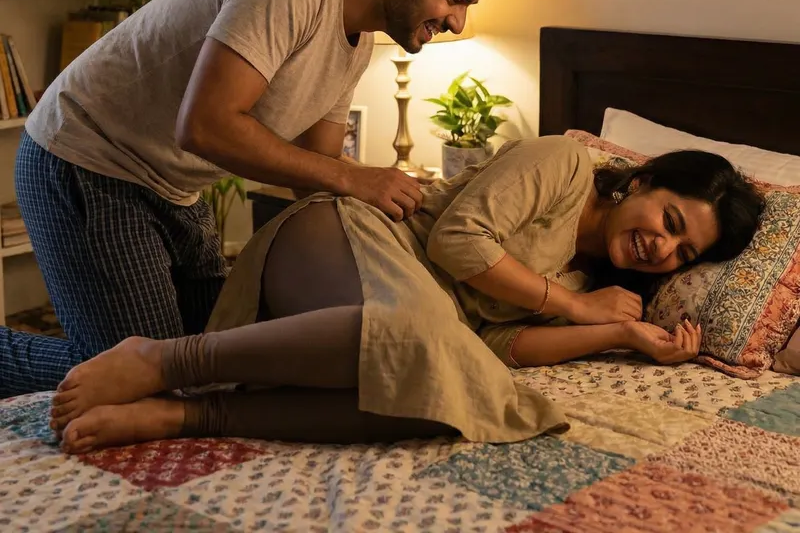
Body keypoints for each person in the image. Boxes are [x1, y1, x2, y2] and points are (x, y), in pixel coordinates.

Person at [0, 0, 517, 398]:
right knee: (155, 381)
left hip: (175, 186)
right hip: (89, 159)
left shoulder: (355, 45)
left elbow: (315, 172)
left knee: (219, 359)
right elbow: (204, 124)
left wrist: (404, 245)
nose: (457, 21)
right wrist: (353, 177)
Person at [49, 135, 764, 453]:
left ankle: (190, 416)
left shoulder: (589, 281)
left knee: (452, 400)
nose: (662, 248)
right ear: (639, 181)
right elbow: (458, 243)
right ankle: (168, 359)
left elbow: (499, 350)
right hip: (349, 235)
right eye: (669, 221)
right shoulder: (564, 165)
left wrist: (619, 333)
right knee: (419, 341)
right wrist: (576, 307)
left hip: (408, 309)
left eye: (683, 251)